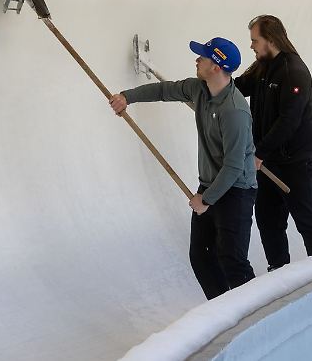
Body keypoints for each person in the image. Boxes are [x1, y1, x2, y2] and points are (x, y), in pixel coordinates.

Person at [109, 37, 256, 300]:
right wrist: (126, 98)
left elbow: (234, 167)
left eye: (203, 56)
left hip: (236, 191)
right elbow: (164, 91)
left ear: (216, 67)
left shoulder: (235, 111)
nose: (197, 59)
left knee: (232, 260)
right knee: (201, 256)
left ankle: (258, 315)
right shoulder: (199, 89)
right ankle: (222, 310)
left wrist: (206, 200)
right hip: (210, 184)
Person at [234, 15, 312, 271]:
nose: (252, 46)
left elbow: (289, 121)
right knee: (267, 220)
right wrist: (210, 84)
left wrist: (258, 153)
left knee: (307, 221)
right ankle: (279, 272)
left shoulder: (294, 71)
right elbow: (238, 87)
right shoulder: (262, 67)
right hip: (270, 161)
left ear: (270, 39)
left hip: (298, 160)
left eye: (255, 41)